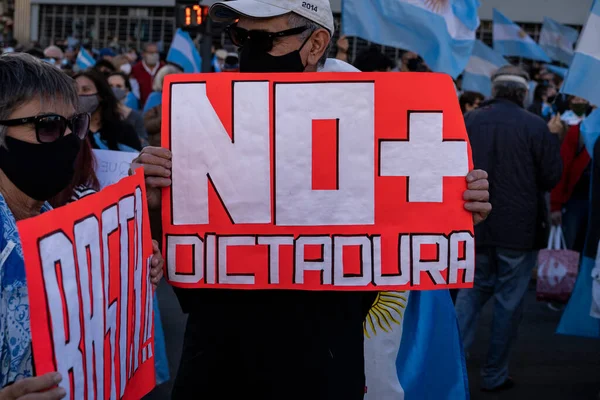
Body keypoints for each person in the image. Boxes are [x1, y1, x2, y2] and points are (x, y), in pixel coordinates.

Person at [133, 1, 491, 399]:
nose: (246, 50)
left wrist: (451, 210)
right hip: (217, 363)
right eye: (240, 36)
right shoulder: (206, 117)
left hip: (322, 363)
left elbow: (399, 245)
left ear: (316, 43)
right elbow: (178, 259)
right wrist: (151, 203)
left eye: (263, 38)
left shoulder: (374, 128)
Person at [0, 52, 163, 398]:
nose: (70, 141)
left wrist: (132, 260)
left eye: (75, 125)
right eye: (48, 127)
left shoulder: (54, 221)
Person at [454, 65, 563, 392]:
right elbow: (550, 178)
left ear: (495, 90)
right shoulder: (536, 126)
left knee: (468, 299)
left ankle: (449, 366)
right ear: (523, 93)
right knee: (508, 305)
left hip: (475, 226)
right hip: (518, 232)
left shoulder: (470, 120)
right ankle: (495, 374)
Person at [74, 70, 142, 152]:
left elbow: (136, 161)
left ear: (101, 95)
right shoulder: (67, 131)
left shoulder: (124, 131)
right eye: (74, 90)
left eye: (85, 89)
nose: (79, 94)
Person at [551, 122, 592, 252]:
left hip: (593, 202)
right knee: (569, 247)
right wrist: (555, 206)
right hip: (576, 201)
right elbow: (562, 168)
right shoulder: (578, 131)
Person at [143, 64, 183, 147]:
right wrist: (164, 119)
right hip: (158, 145)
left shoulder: (183, 97)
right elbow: (146, 125)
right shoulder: (154, 97)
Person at [108, 72, 148, 145]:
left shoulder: (136, 117)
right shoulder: (96, 114)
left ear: (126, 91)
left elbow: (144, 144)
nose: (114, 89)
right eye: (110, 86)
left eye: (118, 86)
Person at [130, 43, 164, 107]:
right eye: (151, 53)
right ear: (143, 54)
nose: (154, 55)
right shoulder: (135, 69)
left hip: (161, 107)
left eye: (156, 52)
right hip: (141, 108)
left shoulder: (164, 69)